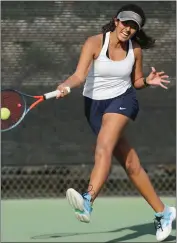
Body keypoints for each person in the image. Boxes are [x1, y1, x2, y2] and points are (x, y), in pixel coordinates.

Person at [56, 4, 175, 242]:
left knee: (103, 148)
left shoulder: (135, 49)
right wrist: (66, 85)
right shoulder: (93, 43)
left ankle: (87, 200)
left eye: (134, 26)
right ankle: (164, 213)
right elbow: (79, 75)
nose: (128, 29)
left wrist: (146, 81)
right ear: (116, 21)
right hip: (94, 108)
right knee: (131, 164)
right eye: (125, 23)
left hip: (122, 101)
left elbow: (137, 81)